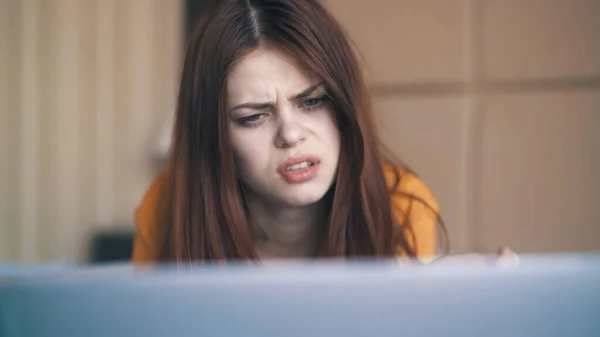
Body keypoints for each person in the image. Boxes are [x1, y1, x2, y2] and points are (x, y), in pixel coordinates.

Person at [132, 0, 515, 265]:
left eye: (312, 101)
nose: (291, 134)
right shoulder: (165, 207)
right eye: (253, 117)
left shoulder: (402, 204)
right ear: (215, 139)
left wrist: (434, 303)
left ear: (343, 104)